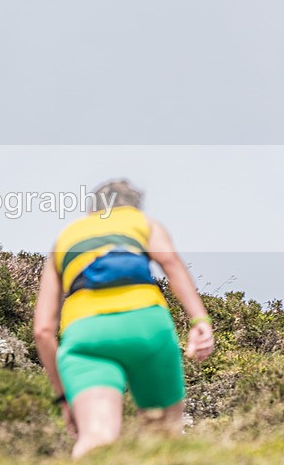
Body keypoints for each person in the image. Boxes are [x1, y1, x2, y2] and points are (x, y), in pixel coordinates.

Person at [33, 180, 214, 458]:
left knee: (96, 438)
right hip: (146, 325)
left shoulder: (66, 236)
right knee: (163, 434)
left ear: (91, 208)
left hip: (86, 336)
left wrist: (64, 398)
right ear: (134, 205)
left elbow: (43, 330)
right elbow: (171, 264)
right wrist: (199, 320)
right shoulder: (142, 222)